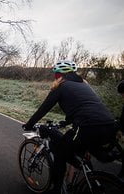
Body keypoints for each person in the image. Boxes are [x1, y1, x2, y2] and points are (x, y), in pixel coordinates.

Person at [22, 60, 117, 194]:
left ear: (59, 75)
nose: (55, 77)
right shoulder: (84, 86)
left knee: (60, 152)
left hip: (88, 128)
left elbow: (43, 109)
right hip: (110, 126)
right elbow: (85, 109)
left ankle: (57, 190)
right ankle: (91, 176)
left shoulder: (61, 86)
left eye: (55, 75)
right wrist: (65, 123)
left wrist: (29, 125)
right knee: (77, 150)